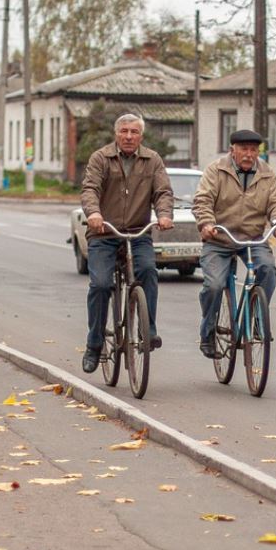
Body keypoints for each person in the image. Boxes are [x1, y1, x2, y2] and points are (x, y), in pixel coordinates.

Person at [79, 113, 174, 374]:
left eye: (134, 132)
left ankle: (148, 329)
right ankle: (94, 343)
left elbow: (163, 191)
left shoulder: (152, 159)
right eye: (124, 131)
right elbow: (90, 189)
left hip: (137, 232)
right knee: (100, 284)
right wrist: (94, 214)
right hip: (104, 233)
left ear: (141, 136)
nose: (129, 136)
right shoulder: (101, 158)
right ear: (116, 134)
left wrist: (164, 215)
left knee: (147, 270)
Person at [192, 128, 276, 358]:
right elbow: (203, 200)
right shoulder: (216, 170)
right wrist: (206, 224)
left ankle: (257, 319)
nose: (249, 154)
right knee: (215, 285)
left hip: (253, 238)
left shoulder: (267, 174)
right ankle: (207, 331)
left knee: (267, 268)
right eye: (244, 149)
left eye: (253, 150)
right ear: (232, 150)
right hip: (219, 237)